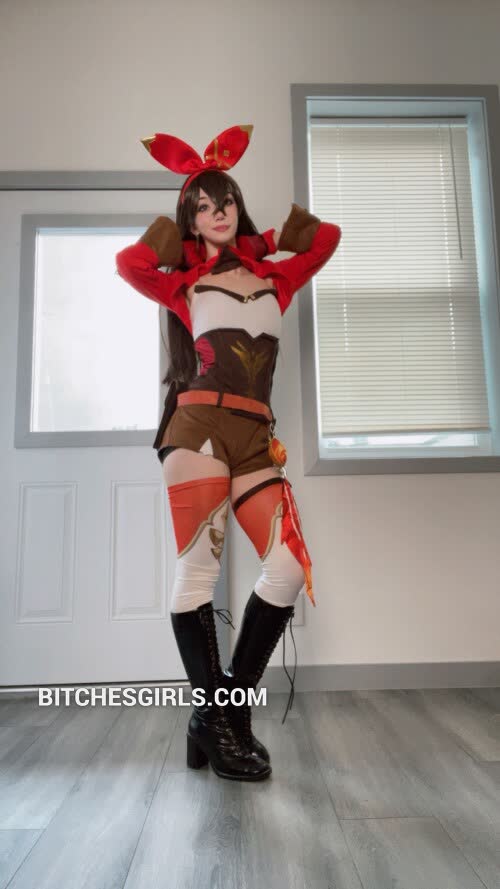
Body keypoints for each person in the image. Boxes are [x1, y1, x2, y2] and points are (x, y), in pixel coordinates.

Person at [115, 124, 342, 782]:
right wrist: (175, 234)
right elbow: (130, 264)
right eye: (203, 206)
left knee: (287, 568)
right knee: (199, 575)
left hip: (254, 437)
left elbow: (326, 239)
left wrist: (262, 242)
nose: (218, 212)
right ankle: (219, 723)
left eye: (226, 202)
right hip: (198, 430)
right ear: (192, 219)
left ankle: (223, 712)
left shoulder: (276, 277)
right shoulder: (183, 282)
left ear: (239, 209)